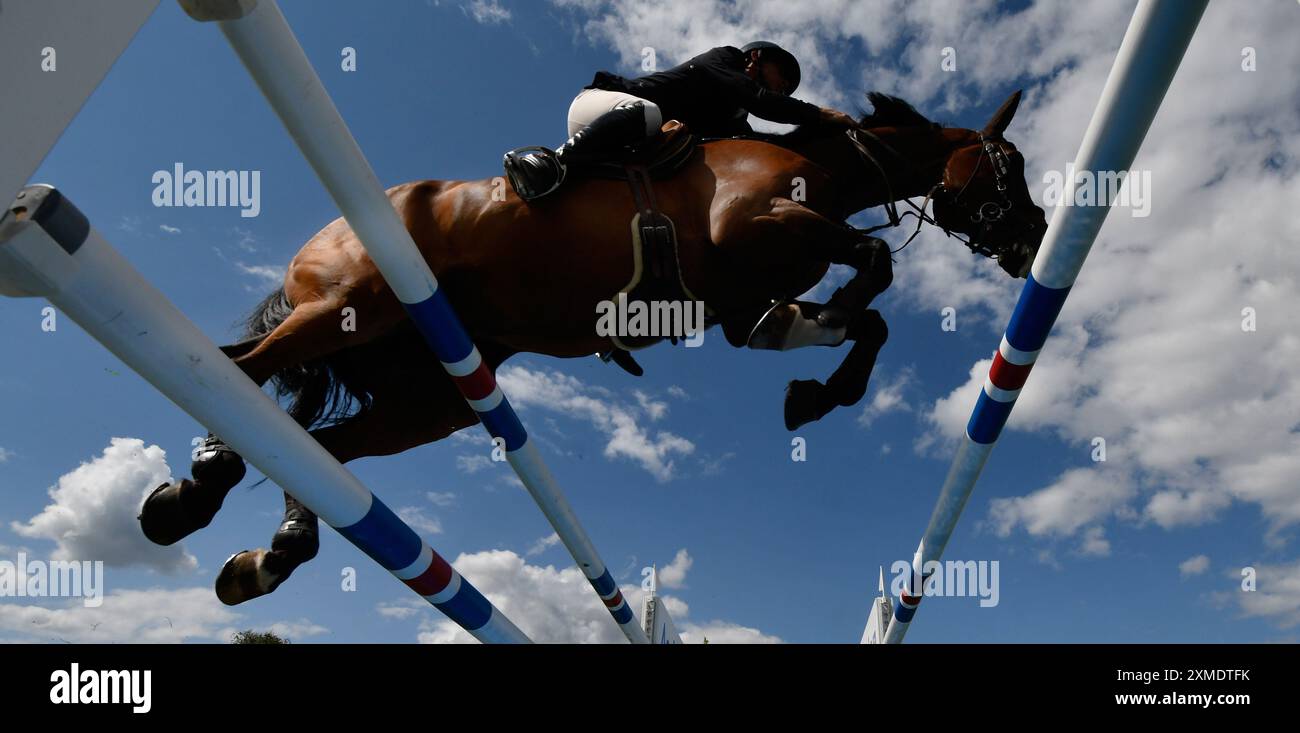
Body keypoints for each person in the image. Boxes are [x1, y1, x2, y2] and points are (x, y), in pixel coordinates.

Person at [505, 41, 859, 200]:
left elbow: (762, 147)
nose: (783, 87)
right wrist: (821, 114)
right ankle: (551, 164)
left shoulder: (735, 119)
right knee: (651, 113)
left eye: (787, 87)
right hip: (599, 108)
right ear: (755, 56)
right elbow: (762, 102)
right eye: (782, 75)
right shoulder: (725, 59)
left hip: (625, 145)